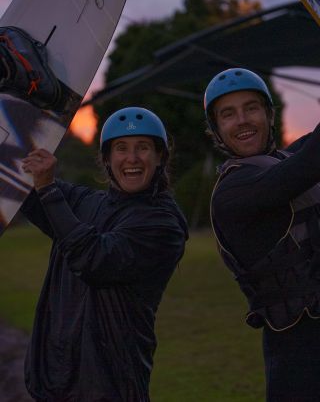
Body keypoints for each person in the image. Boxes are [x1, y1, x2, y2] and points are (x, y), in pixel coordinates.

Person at [20, 106, 188, 402]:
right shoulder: (88, 202)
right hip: (53, 381)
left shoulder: (162, 224)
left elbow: (95, 259)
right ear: (107, 160)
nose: (132, 158)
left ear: (160, 157)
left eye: (143, 148)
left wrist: (47, 190)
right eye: (121, 148)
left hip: (109, 387)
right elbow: (26, 192)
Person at [204, 68, 320, 401]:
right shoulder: (233, 191)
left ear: (269, 115)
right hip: (299, 362)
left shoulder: (284, 159)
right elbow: (307, 164)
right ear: (217, 131)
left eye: (251, 108)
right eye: (228, 114)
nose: (242, 120)